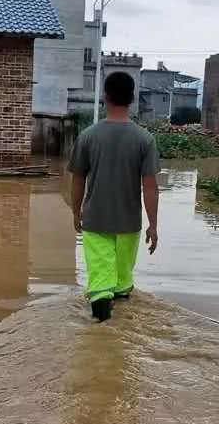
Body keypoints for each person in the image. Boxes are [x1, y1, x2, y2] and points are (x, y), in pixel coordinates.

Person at [68, 71, 160, 322]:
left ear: (105, 97)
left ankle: (102, 335)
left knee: (100, 282)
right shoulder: (145, 139)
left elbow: (77, 180)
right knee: (122, 282)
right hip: (129, 224)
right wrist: (153, 224)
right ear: (132, 98)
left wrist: (76, 212)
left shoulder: (87, 136)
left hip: (95, 221)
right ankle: (119, 340)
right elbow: (150, 186)